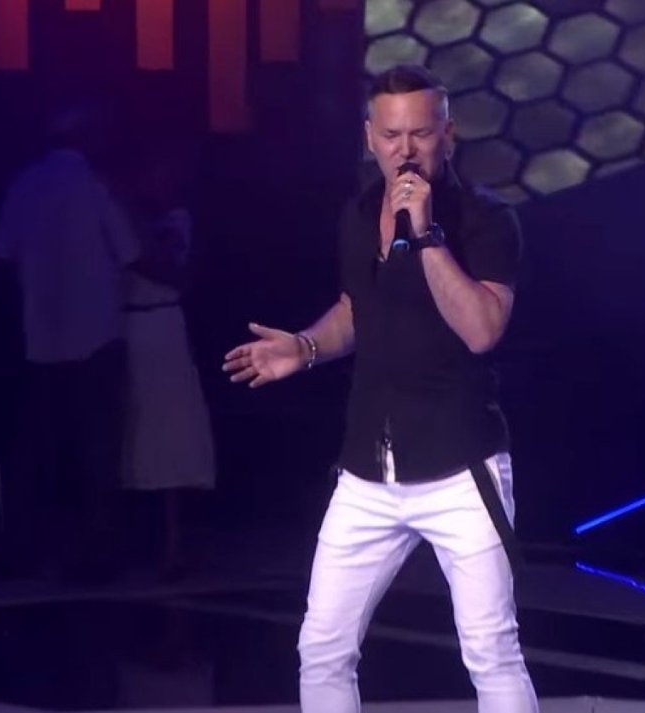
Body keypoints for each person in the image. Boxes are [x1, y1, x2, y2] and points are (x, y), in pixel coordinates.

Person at [222, 65, 538, 712]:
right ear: (370, 137)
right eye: (392, 135)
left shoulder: (486, 219)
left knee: (490, 650)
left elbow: (482, 330)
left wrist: (425, 235)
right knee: (323, 647)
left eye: (420, 133)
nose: (405, 150)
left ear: (448, 134)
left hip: (460, 467)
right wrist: (305, 347)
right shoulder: (358, 214)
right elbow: (356, 310)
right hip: (368, 471)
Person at [0, 103, 138, 582]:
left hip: (39, 339)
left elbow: (2, 252)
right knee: (96, 450)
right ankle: (98, 551)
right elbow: (129, 251)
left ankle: (24, 549)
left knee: (36, 452)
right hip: (95, 336)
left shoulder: (26, 184)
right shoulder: (95, 185)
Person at [118, 144, 216, 580]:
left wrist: (135, 252)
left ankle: (175, 545)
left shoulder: (175, 221)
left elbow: (174, 272)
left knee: (171, 437)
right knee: (137, 435)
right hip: (130, 329)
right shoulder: (123, 219)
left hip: (163, 331)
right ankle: (143, 542)